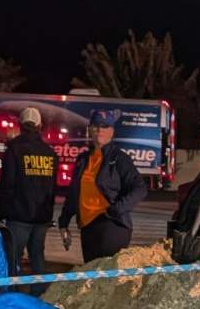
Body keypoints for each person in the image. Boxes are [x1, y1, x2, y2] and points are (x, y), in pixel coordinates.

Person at [57, 108, 148, 263]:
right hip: (87, 227)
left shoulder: (119, 158)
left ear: (112, 131)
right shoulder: (83, 160)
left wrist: (117, 209)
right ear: (90, 129)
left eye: (105, 126)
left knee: (105, 276)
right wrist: (63, 223)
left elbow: (140, 188)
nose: (100, 130)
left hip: (111, 225)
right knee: (91, 277)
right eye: (96, 125)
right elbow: (73, 194)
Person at [0, 105, 57, 277]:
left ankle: (11, 297)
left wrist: (0, 212)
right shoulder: (50, 153)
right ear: (39, 126)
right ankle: (39, 295)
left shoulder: (14, 149)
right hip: (41, 218)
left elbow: (7, 184)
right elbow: (52, 188)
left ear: (21, 126)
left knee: (12, 260)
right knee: (38, 259)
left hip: (18, 217)